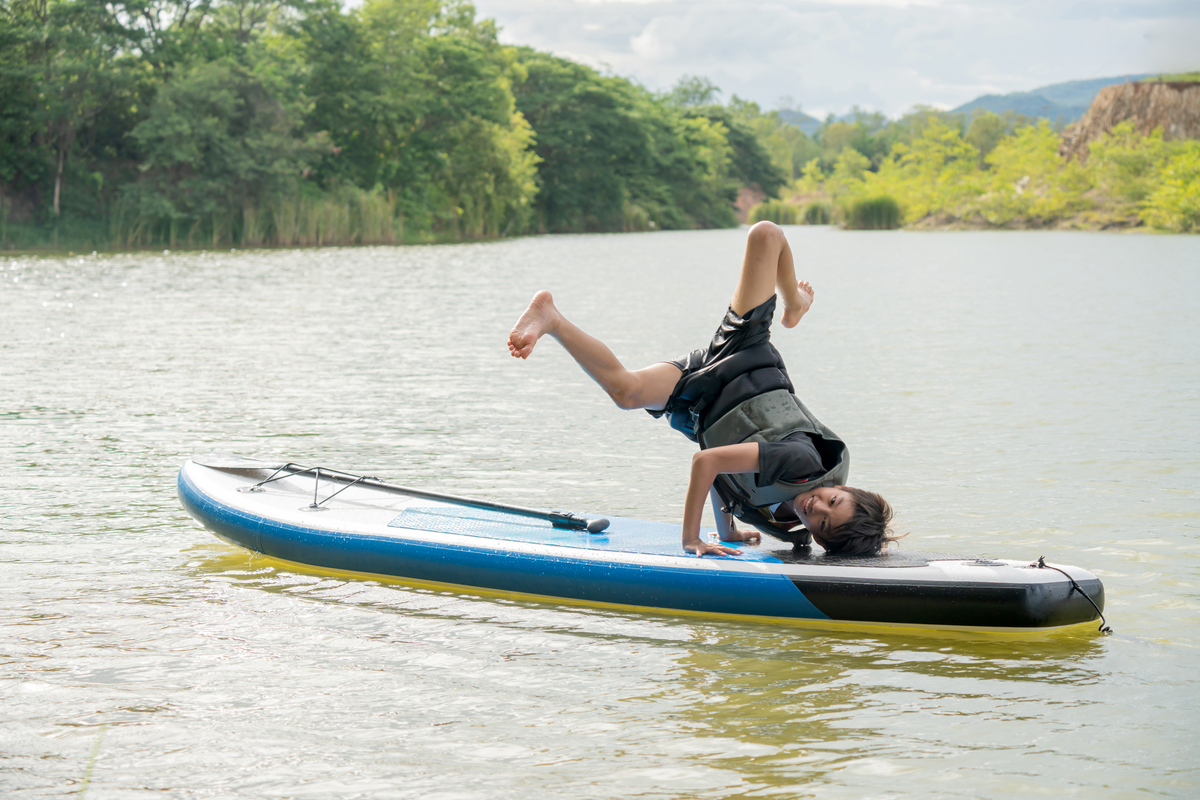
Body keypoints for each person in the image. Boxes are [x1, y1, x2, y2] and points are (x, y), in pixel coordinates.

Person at [507, 221, 895, 557]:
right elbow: (705, 463)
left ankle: (551, 317)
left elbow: (725, 475)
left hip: (703, 396)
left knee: (625, 392)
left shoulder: (786, 522)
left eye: (824, 523)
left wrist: (727, 532)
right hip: (742, 356)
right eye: (833, 500)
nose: (817, 507)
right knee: (765, 235)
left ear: (820, 539)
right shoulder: (800, 463)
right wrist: (692, 538)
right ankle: (795, 303)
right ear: (842, 487)